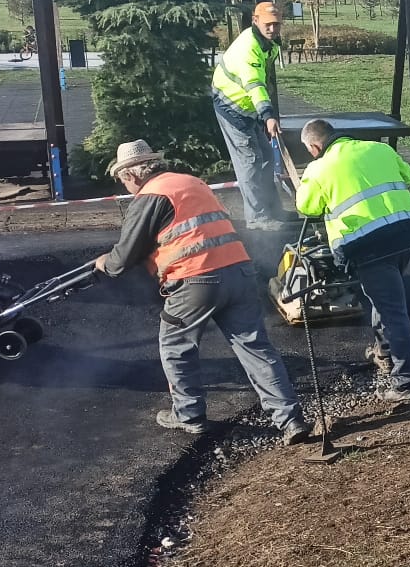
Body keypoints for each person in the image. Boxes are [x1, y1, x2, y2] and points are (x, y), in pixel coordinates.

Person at [94, 140, 309, 442]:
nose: (125, 184)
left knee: (176, 347)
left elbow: (123, 257)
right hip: (239, 271)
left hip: (195, 281)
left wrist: (105, 263)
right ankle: (290, 419)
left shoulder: (150, 195)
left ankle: (189, 414)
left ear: (131, 174)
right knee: (256, 348)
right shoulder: (193, 183)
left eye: (122, 178)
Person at [294, 119, 410, 403]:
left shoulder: (318, 169)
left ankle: (405, 382)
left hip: (367, 245)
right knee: (384, 297)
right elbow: (408, 178)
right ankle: (384, 351)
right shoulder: (378, 149)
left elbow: (306, 206)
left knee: (392, 311)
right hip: (403, 234)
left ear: (315, 146)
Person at [212, 2, 288, 229]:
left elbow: (265, 81)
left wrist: (265, 113)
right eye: (268, 24)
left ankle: (273, 211)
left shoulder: (269, 44)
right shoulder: (249, 47)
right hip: (231, 105)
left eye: (277, 24)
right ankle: (257, 219)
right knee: (250, 161)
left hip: (250, 106)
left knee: (266, 157)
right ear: (255, 20)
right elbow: (254, 83)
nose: (273, 29)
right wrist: (268, 115)